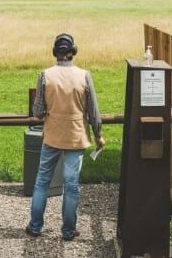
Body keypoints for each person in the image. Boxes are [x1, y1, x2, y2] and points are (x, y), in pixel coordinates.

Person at [26, 33, 105, 240]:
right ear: (73, 51)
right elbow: (94, 111)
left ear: (55, 52)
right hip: (76, 135)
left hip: (52, 134)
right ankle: (68, 230)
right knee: (71, 185)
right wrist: (98, 134)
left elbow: (38, 111)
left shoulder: (45, 75)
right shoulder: (85, 75)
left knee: (42, 180)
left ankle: (35, 227)